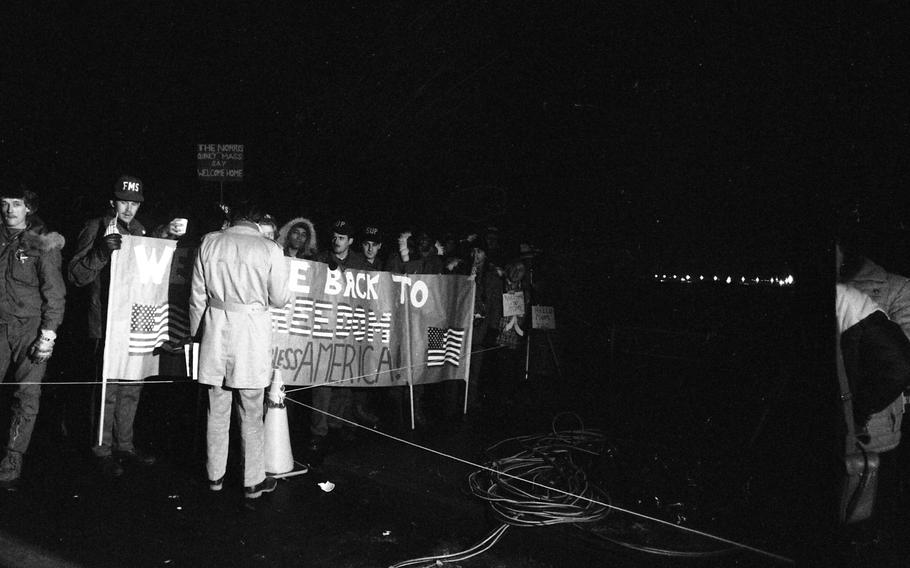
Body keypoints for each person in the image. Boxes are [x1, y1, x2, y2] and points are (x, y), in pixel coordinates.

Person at [189, 201, 290, 499]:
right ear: (257, 221)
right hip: (251, 336)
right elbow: (281, 298)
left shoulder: (209, 241)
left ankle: (215, 477)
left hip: (216, 331)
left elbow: (196, 296)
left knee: (216, 409)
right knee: (250, 410)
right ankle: (251, 483)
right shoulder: (269, 249)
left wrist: (198, 335)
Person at [68, 175, 156, 478]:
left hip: (132, 325)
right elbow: (76, 274)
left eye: (134, 202)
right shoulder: (96, 227)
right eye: (123, 201)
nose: (129, 208)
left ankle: (125, 445)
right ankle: (102, 449)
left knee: (131, 385)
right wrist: (101, 252)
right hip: (103, 324)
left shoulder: (140, 231)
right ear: (112, 202)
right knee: (106, 389)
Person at [0, 185, 66, 488]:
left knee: (26, 396)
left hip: (30, 328)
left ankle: (13, 457)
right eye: (4, 203)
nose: (10, 210)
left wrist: (48, 335)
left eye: (16, 204)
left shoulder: (40, 244)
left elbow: (54, 293)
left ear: (29, 208)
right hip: (1, 325)